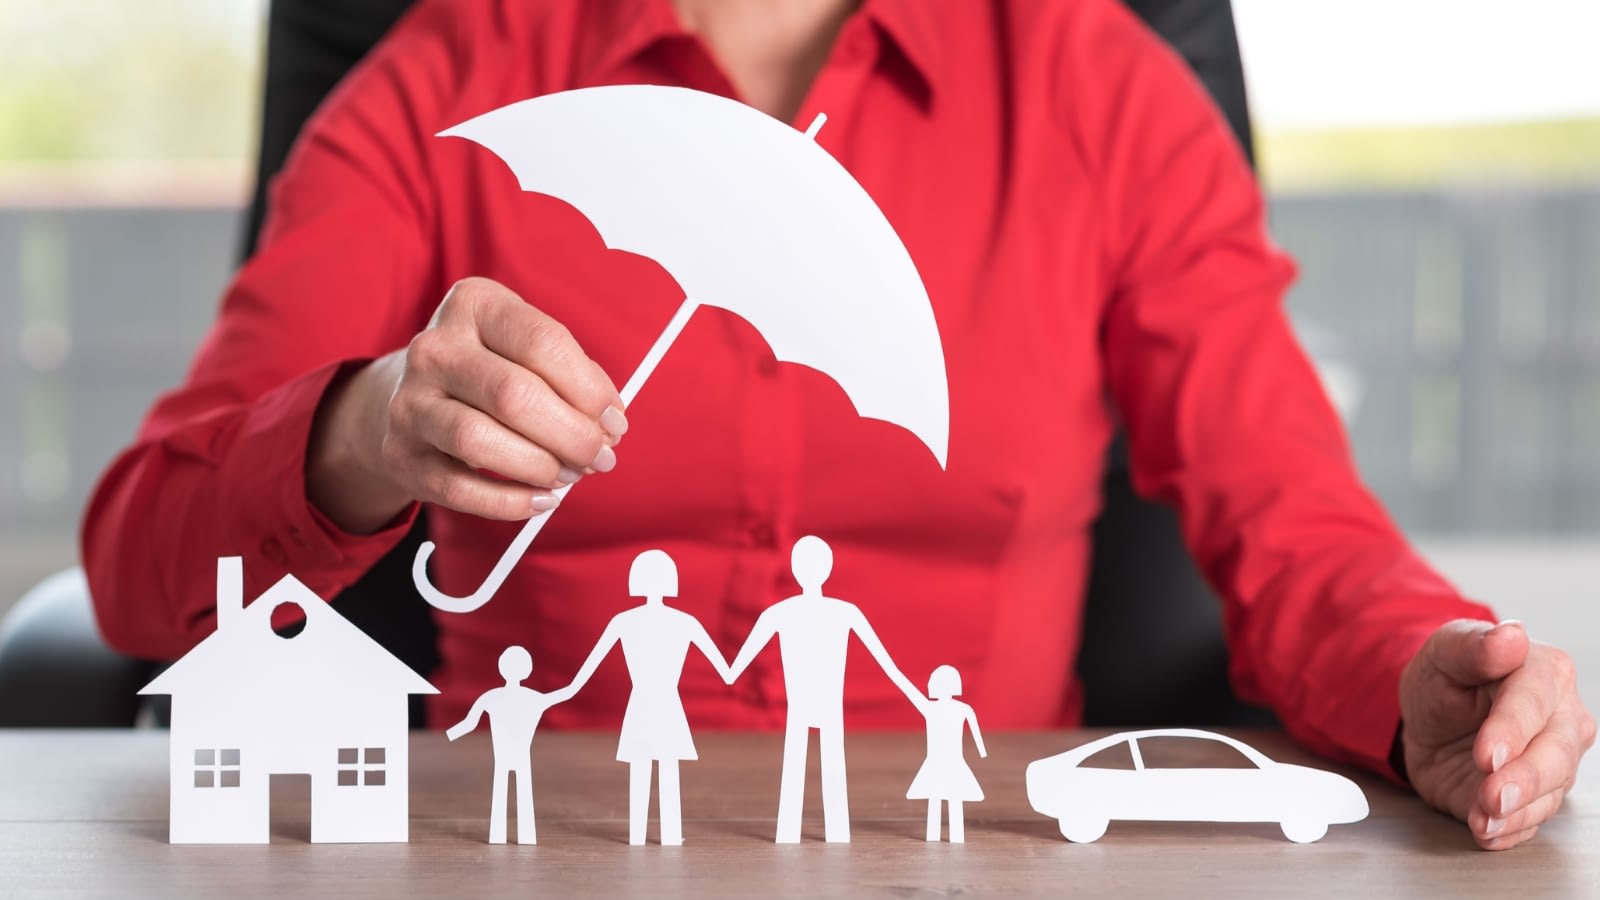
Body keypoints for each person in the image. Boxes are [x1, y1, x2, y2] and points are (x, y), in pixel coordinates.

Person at [81, 0, 1592, 852]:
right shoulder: (453, 78)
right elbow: (141, 579)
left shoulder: (1099, 93)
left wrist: (1422, 677)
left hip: (967, 860)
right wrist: (358, 433)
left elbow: (1293, 526)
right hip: (535, 854)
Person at [726, 536, 925, 843]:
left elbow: (735, 667)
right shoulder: (844, 612)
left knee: (796, 770)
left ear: (794, 568)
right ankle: (832, 833)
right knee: (832, 769)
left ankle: (791, 833)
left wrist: (718, 668)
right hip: (828, 706)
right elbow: (889, 666)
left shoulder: (779, 612)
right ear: (828, 568)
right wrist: (920, 700)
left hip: (801, 706)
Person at [561, 549, 732, 845]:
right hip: (665, 705)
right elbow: (726, 670)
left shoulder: (623, 621)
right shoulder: (685, 621)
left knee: (642, 770)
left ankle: (640, 837)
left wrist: (563, 692)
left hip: (642, 705)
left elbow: (585, 671)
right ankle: (666, 837)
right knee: (667, 771)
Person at [445, 645, 572, 844]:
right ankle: (525, 837)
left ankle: (500, 837)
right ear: (527, 670)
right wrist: (585, 676)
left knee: (500, 798)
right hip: (521, 757)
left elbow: (469, 724)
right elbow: (568, 692)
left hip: (504, 757)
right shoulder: (534, 698)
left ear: (501, 667)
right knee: (524, 797)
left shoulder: (490, 697)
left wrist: (450, 735)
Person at [908, 664, 987, 843]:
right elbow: (976, 732)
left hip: (948, 762)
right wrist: (982, 751)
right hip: (942, 762)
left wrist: (982, 750)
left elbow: (975, 731)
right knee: (945, 797)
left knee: (943, 797)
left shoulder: (940, 708)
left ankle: (949, 836)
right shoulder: (959, 709)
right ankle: (941, 836)